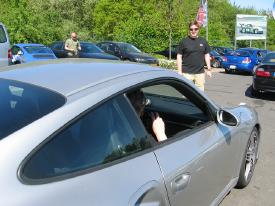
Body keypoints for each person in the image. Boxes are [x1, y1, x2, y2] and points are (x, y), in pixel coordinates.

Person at [176, 20, 212, 91]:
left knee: (200, 94)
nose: (193, 31)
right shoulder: (184, 41)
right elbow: (179, 56)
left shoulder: (203, 41)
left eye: (195, 29)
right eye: (191, 29)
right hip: (186, 73)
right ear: (189, 30)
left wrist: (209, 69)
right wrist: (179, 71)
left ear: (198, 29)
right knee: (186, 93)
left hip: (200, 73)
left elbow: (207, 55)